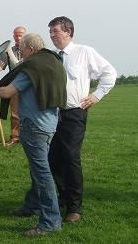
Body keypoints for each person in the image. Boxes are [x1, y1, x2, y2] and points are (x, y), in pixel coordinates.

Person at [0, 33, 66, 237]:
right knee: (38, 168)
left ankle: (50, 221)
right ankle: (32, 205)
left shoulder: (31, 68)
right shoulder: (54, 62)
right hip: (50, 124)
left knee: (42, 173)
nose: (19, 53)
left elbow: (5, 92)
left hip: (33, 126)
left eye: (21, 49)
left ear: (30, 49)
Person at [47, 16, 117, 223]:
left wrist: (96, 95)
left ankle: (75, 208)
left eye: (55, 31)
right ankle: (61, 199)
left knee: (70, 158)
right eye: (50, 31)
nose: (51, 35)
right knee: (53, 160)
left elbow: (109, 73)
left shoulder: (84, 52)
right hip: (52, 114)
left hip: (74, 114)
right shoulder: (50, 56)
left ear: (68, 32)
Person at [0, 26, 26, 147]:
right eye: (16, 35)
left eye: (21, 35)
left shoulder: (31, 50)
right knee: (15, 113)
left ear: (25, 35)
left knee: (29, 113)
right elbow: (0, 67)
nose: (18, 37)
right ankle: (15, 137)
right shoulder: (9, 50)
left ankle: (28, 137)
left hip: (29, 86)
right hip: (14, 86)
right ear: (13, 36)